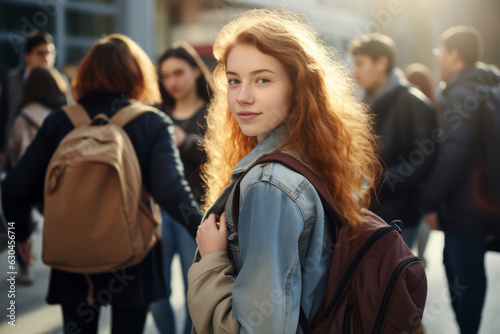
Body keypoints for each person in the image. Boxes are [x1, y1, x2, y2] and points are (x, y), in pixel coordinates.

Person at [186, 8, 381, 333]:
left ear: (297, 86)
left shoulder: (269, 187)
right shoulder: (314, 156)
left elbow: (259, 329)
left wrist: (211, 260)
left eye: (262, 80)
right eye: (234, 81)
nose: (242, 97)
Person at [1, 33, 202, 334]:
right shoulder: (151, 122)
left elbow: (14, 186)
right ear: (137, 74)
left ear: (85, 74)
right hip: (133, 256)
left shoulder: (60, 121)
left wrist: (20, 232)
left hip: (73, 256)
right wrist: (203, 230)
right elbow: (170, 190)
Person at [421, 26, 500, 334]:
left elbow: (454, 154)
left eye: (441, 51)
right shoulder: (490, 87)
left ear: (455, 55)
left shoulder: (460, 94)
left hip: (465, 206)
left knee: (462, 276)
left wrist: (429, 201)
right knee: (468, 273)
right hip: (486, 200)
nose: (438, 58)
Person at [348, 33, 438, 249]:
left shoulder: (414, 103)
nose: (354, 71)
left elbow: (423, 161)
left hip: (399, 216)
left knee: (391, 281)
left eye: (360, 64)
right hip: (362, 213)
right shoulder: (361, 103)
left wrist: (374, 183)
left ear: (381, 63)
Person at [150, 42, 214, 334]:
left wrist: (185, 141)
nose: (171, 81)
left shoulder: (215, 111)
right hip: (158, 214)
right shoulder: (156, 112)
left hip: (198, 212)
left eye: (178, 72)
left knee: (195, 289)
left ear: (195, 72)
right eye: (165, 75)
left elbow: (226, 154)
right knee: (155, 289)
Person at [6, 66, 68, 284]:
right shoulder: (67, 114)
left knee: (22, 224)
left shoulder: (25, 115)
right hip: (62, 185)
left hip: (33, 182)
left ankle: (24, 264)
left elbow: (21, 164)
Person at [0, 30, 73, 168]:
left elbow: (68, 113)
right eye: (41, 53)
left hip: (48, 151)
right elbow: (4, 114)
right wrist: (2, 150)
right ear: (27, 56)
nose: (46, 58)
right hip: (16, 146)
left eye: (50, 53)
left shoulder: (61, 82)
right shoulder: (12, 79)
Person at [403, 63, 439, 266]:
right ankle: (421, 259)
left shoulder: (407, 109)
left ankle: (411, 264)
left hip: (408, 183)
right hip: (427, 181)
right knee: (422, 223)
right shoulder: (434, 108)